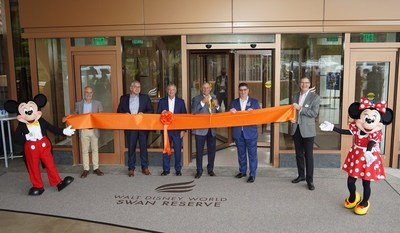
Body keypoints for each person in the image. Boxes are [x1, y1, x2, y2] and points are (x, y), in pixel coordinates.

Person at [117, 80, 154, 177]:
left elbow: (151, 110)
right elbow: (119, 111)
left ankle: (145, 167)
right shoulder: (123, 98)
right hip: (130, 127)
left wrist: (144, 114)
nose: (137, 88)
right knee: (131, 147)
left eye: (139, 87)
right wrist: (124, 114)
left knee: (143, 147)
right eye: (135, 86)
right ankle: (131, 168)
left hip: (142, 127)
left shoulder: (145, 98)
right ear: (130, 88)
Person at [290, 76, 320, 191]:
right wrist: (291, 118)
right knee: (298, 154)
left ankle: (310, 180)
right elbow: (292, 110)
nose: (304, 85)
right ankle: (301, 175)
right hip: (296, 128)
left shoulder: (315, 97)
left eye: (306, 83)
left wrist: (300, 108)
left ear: (309, 84)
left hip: (308, 130)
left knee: (308, 156)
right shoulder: (295, 96)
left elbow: (314, 113)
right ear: (299, 84)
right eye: (302, 82)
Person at [227, 83, 260, 183]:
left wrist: (253, 113)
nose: (243, 92)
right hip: (238, 132)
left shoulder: (254, 102)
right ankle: (242, 171)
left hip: (250, 133)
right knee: (241, 154)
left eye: (245, 90)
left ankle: (252, 174)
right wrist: (230, 111)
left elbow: (259, 117)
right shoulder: (234, 102)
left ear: (248, 91)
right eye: (241, 90)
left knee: (252, 154)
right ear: (238, 91)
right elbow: (227, 116)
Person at [69, 86, 104, 178]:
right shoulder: (79, 104)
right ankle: (86, 169)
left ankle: (96, 168)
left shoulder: (98, 103)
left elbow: (101, 116)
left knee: (95, 149)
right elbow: (75, 114)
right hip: (84, 130)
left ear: (92, 93)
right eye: (87, 92)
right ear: (84, 93)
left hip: (94, 130)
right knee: (84, 150)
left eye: (90, 92)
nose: (88, 94)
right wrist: (68, 117)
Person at [191, 82, 221, 178]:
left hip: (212, 130)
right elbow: (194, 112)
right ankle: (199, 170)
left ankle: (210, 169)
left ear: (210, 89)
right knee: (199, 151)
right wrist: (202, 102)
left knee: (212, 150)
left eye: (207, 88)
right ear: (201, 89)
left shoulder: (214, 98)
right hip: (200, 130)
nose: (206, 89)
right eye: (204, 88)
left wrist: (217, 106)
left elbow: (220, 113)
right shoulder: (196, 99)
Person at [157, 83, 187, 176]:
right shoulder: (162, 101)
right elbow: (157, 115)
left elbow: (184, 117)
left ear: (176, 91)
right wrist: (161, 113)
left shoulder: (181, 102)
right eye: (169, 89)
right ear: (167, 91)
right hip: (166, 131)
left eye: (173, 89)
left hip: (177, 131)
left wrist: (183, 130)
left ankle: (178, 169)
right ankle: (166, 169)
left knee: (178, 150)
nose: (171, 91)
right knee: (166, 149)